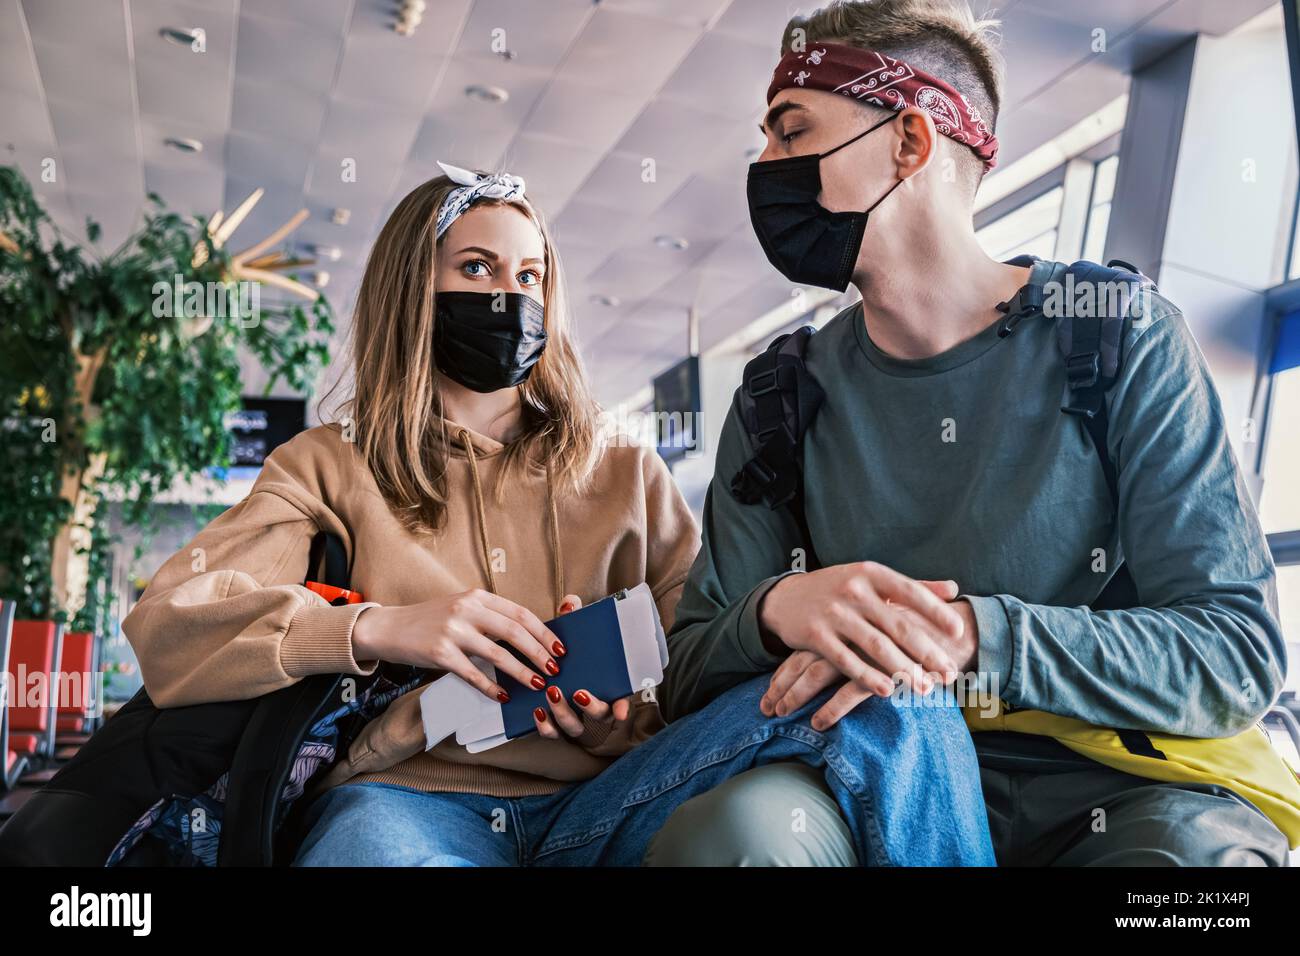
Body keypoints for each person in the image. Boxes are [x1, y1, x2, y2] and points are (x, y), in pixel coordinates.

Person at [122, 162, 994, 866]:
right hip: (409, 802)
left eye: (530, 274)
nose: (512, 295)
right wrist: (385, 629)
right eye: (477, 268)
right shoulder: (329, 466)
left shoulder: (625, 472)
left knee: (897, 689)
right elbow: (172, 626)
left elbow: (698, 656)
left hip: (611, 799)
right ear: (410, 294)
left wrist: (626, 718)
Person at [654, 0, 1295, 866]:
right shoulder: (779, 396)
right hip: (871, 768)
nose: (765, 167)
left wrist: (974, 636)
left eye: (791, 132)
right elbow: (689, 670)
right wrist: (776, 613)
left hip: (1125, 784)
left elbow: (1235, 651)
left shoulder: (1115, 335)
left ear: (910, 142)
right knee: (733, 840)